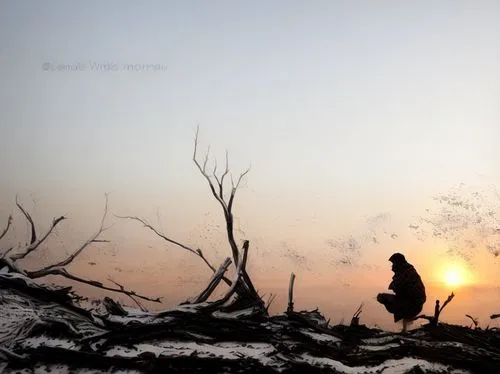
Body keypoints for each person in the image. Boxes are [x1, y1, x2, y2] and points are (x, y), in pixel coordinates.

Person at [377, 252, 426, 332]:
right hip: (413, 302)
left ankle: (405, 324)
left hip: (413, 304)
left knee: (383, 298)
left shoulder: (405, 272)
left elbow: (394, 287)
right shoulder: (407, 270)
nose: (392, 266)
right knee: (393, 299)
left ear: (398, 263)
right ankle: (405, 326)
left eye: (393, 264)